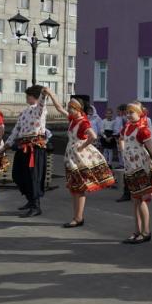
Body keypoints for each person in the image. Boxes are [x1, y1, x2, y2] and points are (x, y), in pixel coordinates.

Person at [46, 90, 115, 228]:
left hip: (79, 157)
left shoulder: (83, 122)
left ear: (78, 109)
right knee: (74, 188)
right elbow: (59, 108)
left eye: (71, 108)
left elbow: (93, 136)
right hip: (71, 156)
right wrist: (51, 94)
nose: (69, 110)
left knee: (79, 188)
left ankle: (78, 218)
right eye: (69, 108)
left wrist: (82, 145)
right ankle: (77, 217)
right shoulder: (73, 119)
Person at [120, 102, 152, 243]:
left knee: (142, 200)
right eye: (127, 112)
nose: (128, 115)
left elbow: (151, 150)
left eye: (131, 112)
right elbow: (120, 139)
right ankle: (137, 230)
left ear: (140, 113)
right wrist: (123, 151)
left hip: (142, 168)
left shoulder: (142, 130)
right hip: (131, 168)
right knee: (135, 200)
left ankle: (146, 232)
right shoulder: (127, 127)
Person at [5, 85, 49, 217]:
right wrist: (5, 146)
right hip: (22, 147)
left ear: (33, 97)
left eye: (28, 95)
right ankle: (30, 200)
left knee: (32, 177)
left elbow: (42, 103)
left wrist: (44, 94)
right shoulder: (24, 112)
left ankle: (36, 206)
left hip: (34, 148)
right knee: (18, 175)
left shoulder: (39, 110)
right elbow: (16, 130)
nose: (26, 97)